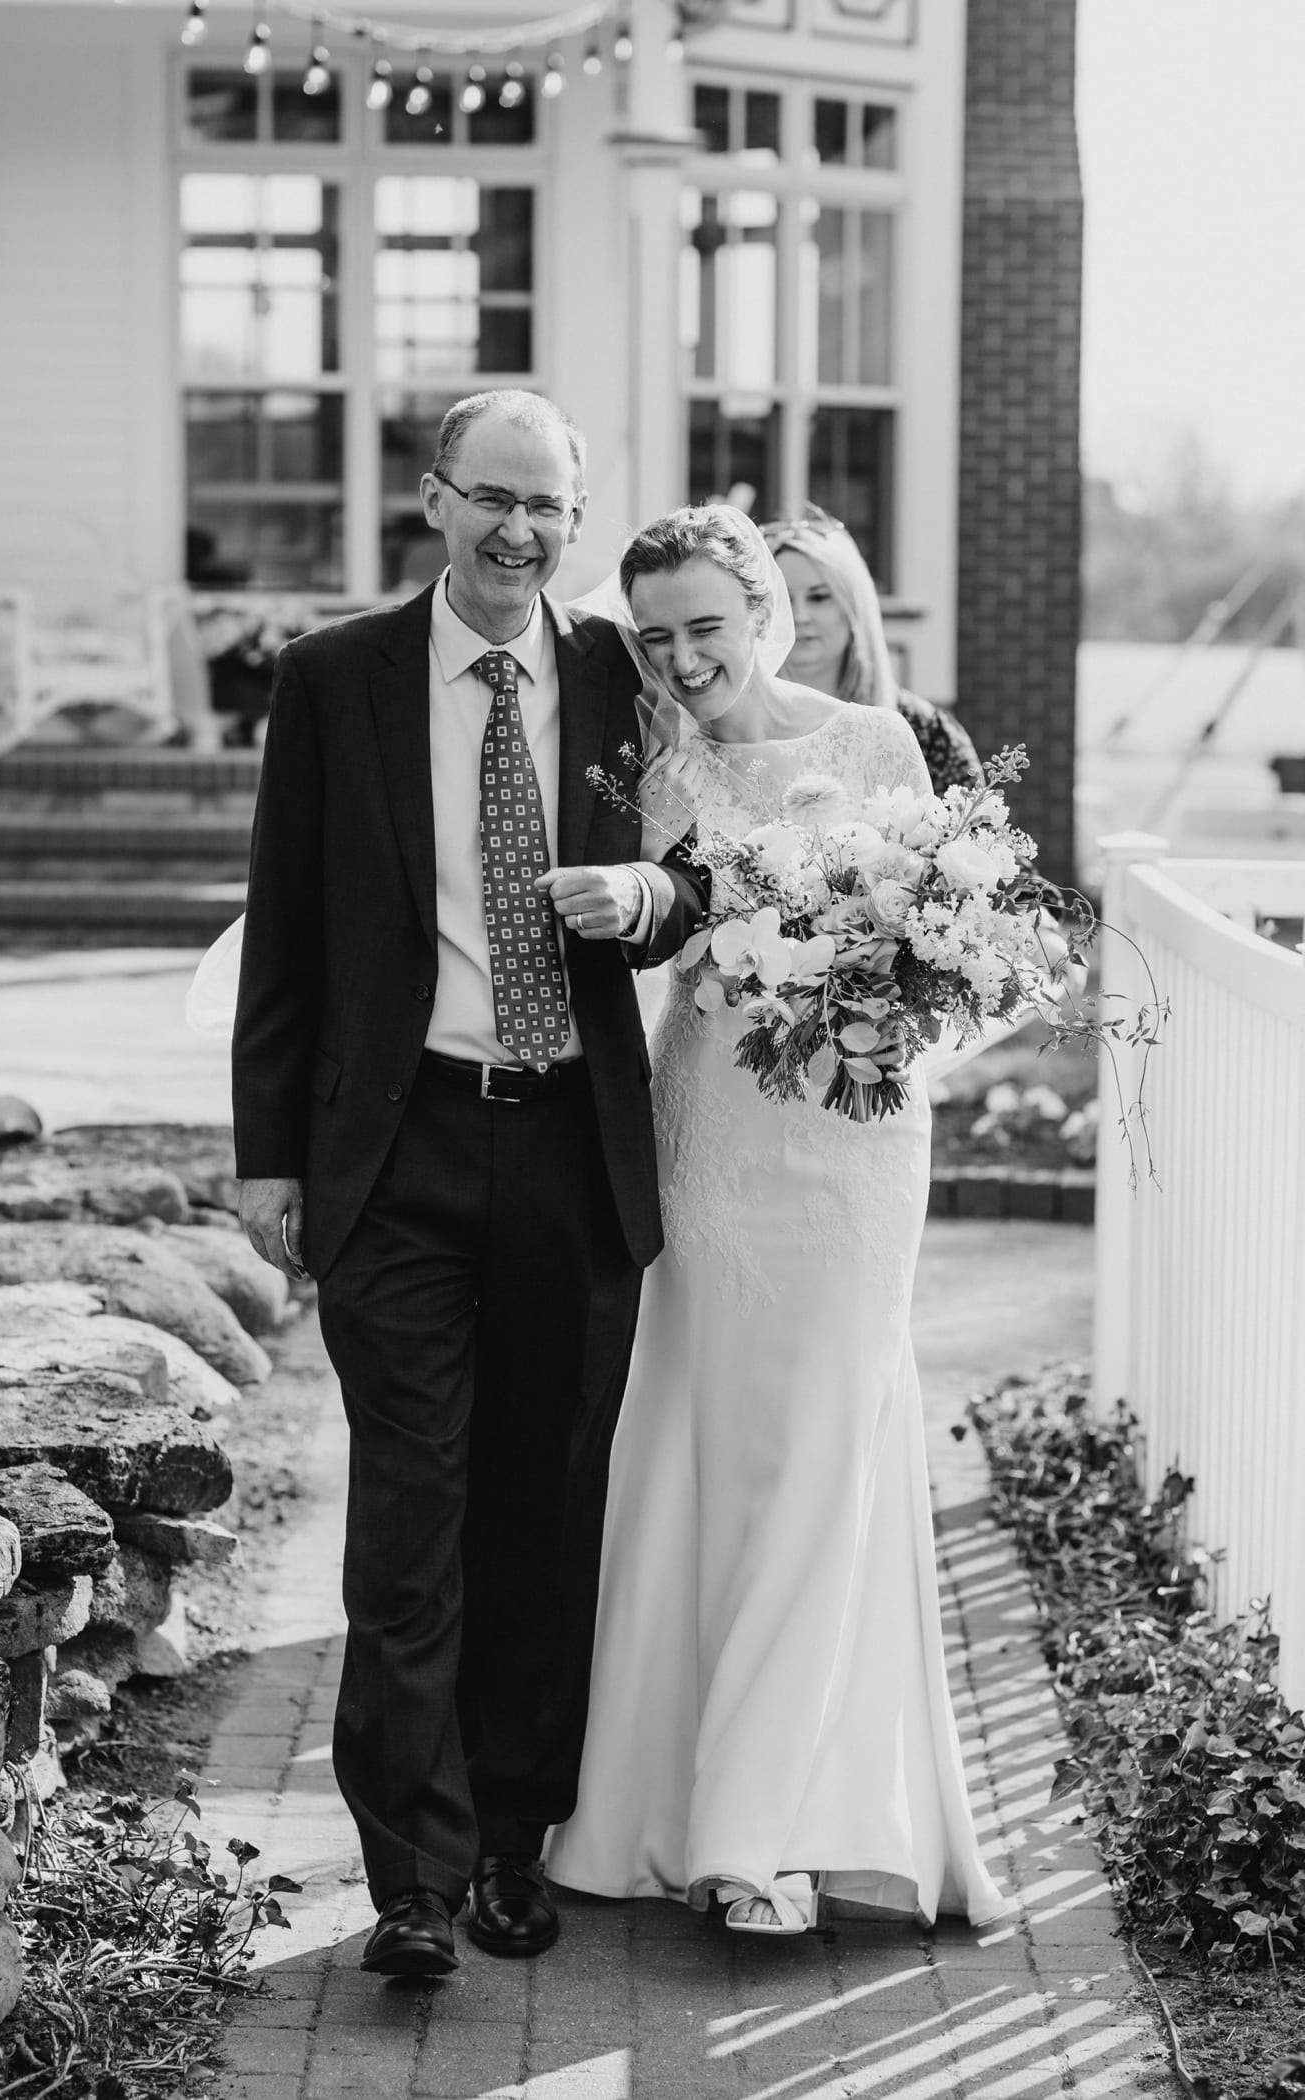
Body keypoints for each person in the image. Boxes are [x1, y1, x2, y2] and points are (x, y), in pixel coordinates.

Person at [232, 390, 707, 1980]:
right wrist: (267, 1162)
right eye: (493, 497)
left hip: (576, 1149)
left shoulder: (619, 679)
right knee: (409, 1522)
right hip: (402, 1152)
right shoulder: (332, 682)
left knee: (540, 1515)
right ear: (433, 501)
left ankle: (515, 1845)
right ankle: (413, 1883)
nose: (520, 530)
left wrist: (650, 899)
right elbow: (284, 936)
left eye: (549, 508)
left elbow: (714, 865)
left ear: (575, 524)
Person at [545, 506, 1007, 1935]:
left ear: (769, 614)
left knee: (822, 1447)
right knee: (695, 1436)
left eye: (709, 626)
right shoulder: (649, 757)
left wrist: (888, 1002)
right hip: (713, 1129)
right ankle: (682, 1812)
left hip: (859, 1142)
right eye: (660, 633)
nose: (686, 658)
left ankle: (775, 1830)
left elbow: (968, 944)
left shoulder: (878, 742)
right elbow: (662, 912)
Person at [763, 509, 985, 799]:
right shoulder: (742, 730)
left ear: (854, 608)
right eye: (784, 600)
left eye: (819, 597)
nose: (800, 616)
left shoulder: (928, 733)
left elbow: (976, 835)